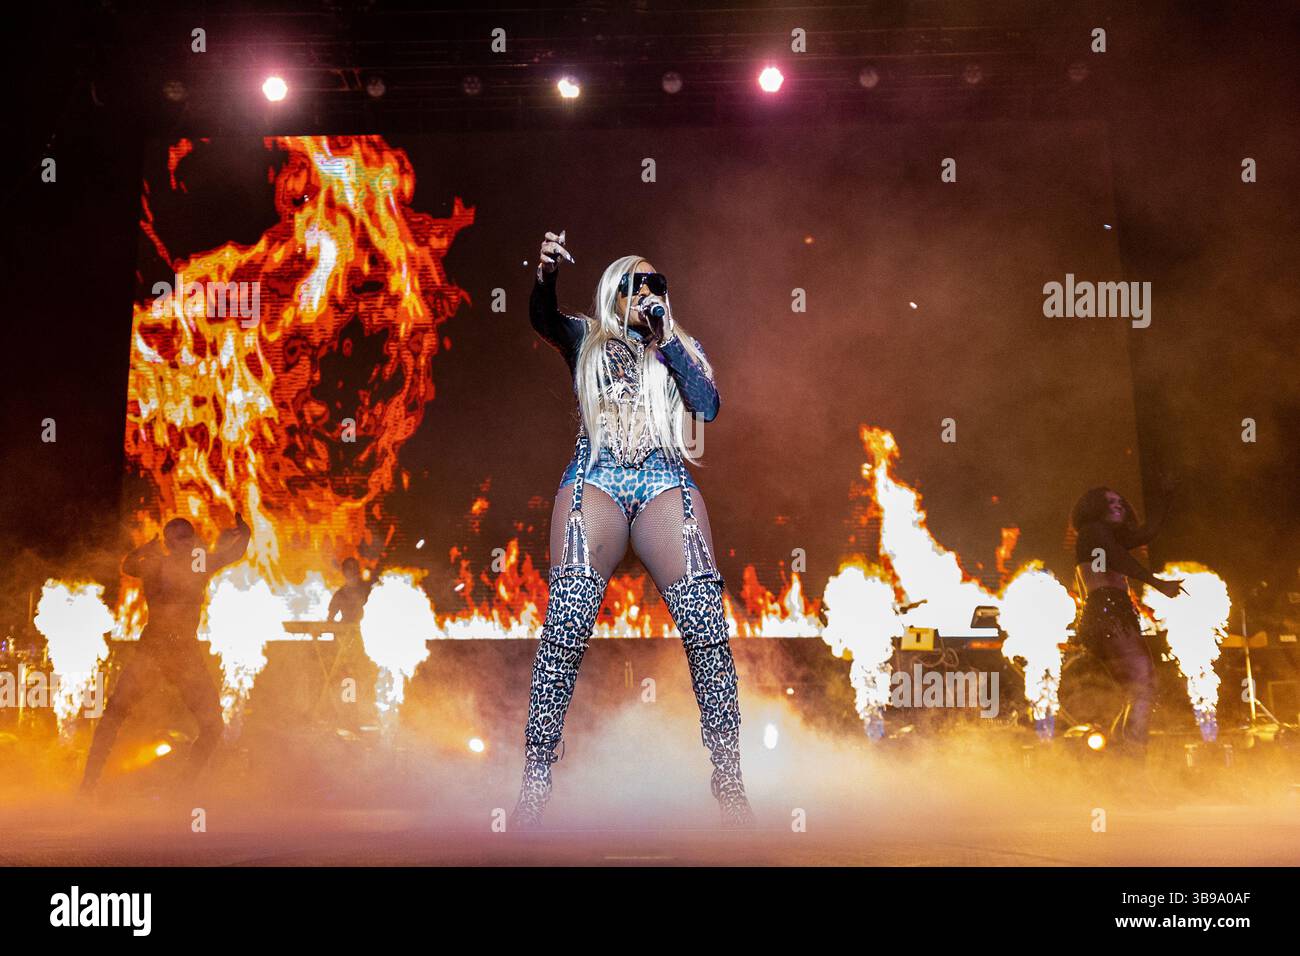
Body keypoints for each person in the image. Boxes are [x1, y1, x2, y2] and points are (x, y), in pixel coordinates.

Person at [509, 229, 755, 829]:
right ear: (612, 293)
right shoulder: (584, 340)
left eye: (656, 285)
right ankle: (535, 786)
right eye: (634, 284)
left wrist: (667, 336)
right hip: (596, 477)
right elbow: (542, 317)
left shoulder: (679, 346)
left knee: (705, 627)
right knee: (564, 633)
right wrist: (544, 276)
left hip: (661, 480)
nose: (646, 292)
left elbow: (708, 407)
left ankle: (729, 781)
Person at [80, 513, 251, 794]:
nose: (186, 543)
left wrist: (244, 533)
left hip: (177, 652)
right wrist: (243, 534)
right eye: (179, 538)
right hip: (159, 651)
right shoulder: (169, 564)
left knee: (212, 725)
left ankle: (180, 788)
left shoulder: (189, 564)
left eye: (188, 536)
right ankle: (88, 785)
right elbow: (129, 566)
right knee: (114, 714)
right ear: (171, 543)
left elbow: (233, 553)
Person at [1071, 486, 1184, 759]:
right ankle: (1131, 769)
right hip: (1109, 614)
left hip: (1109, 615)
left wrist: (1165, 502)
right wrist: (1157, 583)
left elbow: (1145, 534)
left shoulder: (1103, 535)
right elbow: (1117, 557)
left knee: (1139, 693)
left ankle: (1122, 766)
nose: (1118, 505)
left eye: (1120, 501)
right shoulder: (1093, 531)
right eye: (1109, 502)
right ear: (1094, 507)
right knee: (1143, 690)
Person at [328, 557, 371, 625]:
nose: (352, 571)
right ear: (345, 572)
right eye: (349, 568)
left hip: (360, 629)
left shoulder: (366, 589)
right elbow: (330, 619)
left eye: (354, 568)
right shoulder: (340, 594)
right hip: (346, 632)